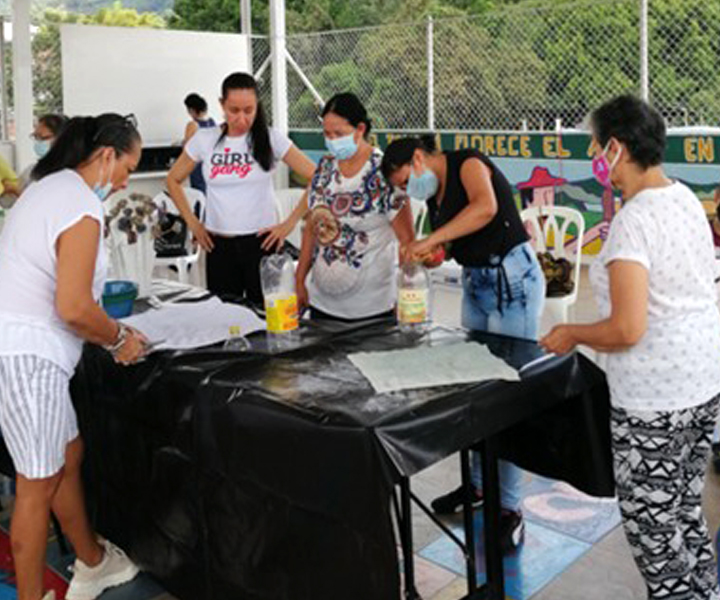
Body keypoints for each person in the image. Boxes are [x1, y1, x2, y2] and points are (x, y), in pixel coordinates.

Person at [541, 95, 720, 600]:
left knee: (655, 538)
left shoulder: (634, 221)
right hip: (702, 386)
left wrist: (573, 333)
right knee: (685, 516)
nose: (595, 158)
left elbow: (627, 328)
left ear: (616, 148)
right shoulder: (685, 198)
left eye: (596, 147)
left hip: (654, 405)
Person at [0, 114, 146, 600]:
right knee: (36, 484)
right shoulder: (80, 205)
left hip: (28, 350)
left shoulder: (48, 187)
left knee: (67, 453)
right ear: (107, 156)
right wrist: (119, 336)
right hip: (28, 355)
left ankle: (92, 561)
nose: (126, 180)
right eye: (128, 167)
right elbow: (75, 307)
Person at [381, 134, 545, 552]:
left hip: (513, 282)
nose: (406, 192)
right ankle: (475, 486)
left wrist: (432, 240)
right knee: (473, 389)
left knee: (505, 396)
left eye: (404, 182)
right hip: (477, 284)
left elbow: (485, 208)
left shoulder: (468, 163)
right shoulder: (435, 196)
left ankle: (511, 508)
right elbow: (453, 243)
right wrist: (432, 254)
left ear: (419, 159)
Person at [167, 72, 316, 306]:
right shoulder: (205, 139)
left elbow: (317, 177)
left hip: (261, 242)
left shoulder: (270, 138)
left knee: (268, 315)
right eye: (234, 110)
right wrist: (193, 223)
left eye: (249, 110)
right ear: (221, 105)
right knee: (225, 317)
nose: (242, 118)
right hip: (218, 243)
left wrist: (288, 225)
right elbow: (173, 180)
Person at [295, 93, 414, 321]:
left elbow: (407, 242)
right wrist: (299, 279)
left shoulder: (384, 173)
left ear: (360, 129)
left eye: (339, 134)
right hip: (322, 305)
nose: (331, 140)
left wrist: (407, 295)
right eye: (327, 134)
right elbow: (311, 227)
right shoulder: (325, 168)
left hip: (372, 310)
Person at [18, 114, 69, 193]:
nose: (38, 142)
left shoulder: (75, 172)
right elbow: (9, 201)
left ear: (61, 139)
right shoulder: (31, 171)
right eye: (35, 137)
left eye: (43, 138)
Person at [182, 93, 216, 195]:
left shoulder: (192, 125)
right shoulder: (212, 123)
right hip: (210, 165)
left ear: (192, 110)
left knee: (198, 195)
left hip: (197, 166)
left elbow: (187, 150)